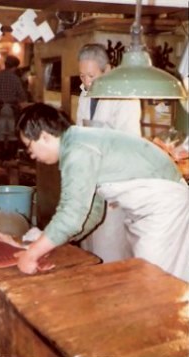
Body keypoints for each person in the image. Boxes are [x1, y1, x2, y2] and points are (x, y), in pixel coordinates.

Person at [16, 103, 189, 282]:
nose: (31, 155)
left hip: (165, 208)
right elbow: (93, 212)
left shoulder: (78, 151)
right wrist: (54, 240)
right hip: (153, 210)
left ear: (44, 137)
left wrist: (31, 254)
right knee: (146, 277)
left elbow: (71, 215)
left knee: (154, 280)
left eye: (29, 146)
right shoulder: (78, 143)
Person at [77, 43, 142, 262]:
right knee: (87, 250)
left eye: (91, 76)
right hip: (90, 181)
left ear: (108, 70)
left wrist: (117, 188)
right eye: (82, 75)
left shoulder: (125, 97)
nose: (86, 82)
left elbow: (129, 147)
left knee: (110, 250)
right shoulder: (85, 94)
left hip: (115, 182)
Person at [0, 55, 27, 162]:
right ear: (15, 67)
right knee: (12, 133)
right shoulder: (16, 79)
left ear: (6, 65)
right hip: (12, 109)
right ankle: (10, 157)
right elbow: (22, 96)